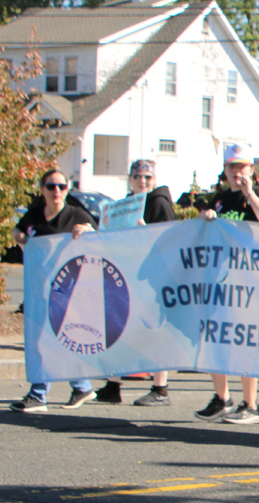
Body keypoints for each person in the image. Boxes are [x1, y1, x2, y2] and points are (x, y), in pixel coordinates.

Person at [194, 143, 259, 425]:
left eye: (242, 166)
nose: (237, 172)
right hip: (220, 278)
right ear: (225, 169)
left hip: (248, 279)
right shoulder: (220, 199)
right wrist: (205, 218)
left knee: (244, 340)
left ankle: (251, 405)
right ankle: (222, 398)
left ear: (251, 169)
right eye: (232, 166)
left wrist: (249, 194)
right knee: (213, 336)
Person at [9, 170, 98, 412]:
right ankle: (81, 386)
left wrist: (87, 231)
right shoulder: (35, 214)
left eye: (61, 186)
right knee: (52, 338)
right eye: (51, 186)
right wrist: (19, 236)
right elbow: (17, 230)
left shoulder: (76, 214)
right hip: (40, 286)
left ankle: (39, 394)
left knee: (49, 338)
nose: (56, 191)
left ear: (67, 189)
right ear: (42, 189)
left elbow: (100, 236)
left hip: (70, 289)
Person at [94, 160, 177, 406]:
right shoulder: (124, 206)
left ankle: (160, 389)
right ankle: (113, 385)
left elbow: (171, 241)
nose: (142, 181)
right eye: (138, 176)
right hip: (126, 274)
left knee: (156, 331)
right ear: (130, 179)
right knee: (119, 328)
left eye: (147, 177)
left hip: (154, 277)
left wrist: (145, 231)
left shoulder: (159, 203)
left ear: (154, 180)